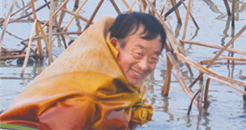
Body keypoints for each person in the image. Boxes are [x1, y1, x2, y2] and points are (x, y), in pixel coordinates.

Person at [0, 12, 167, 130]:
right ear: (115, 45)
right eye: (138, 54)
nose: (144, 65)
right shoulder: (81, 99)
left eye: (153, 59)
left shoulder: (121, 88)